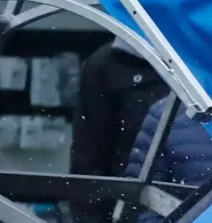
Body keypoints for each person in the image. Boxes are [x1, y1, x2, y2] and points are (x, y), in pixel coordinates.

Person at [70, 40, 168, 180]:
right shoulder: (107, 64)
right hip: (132, 194)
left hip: (200, 191)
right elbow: (89, 160)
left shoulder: (201, 53)